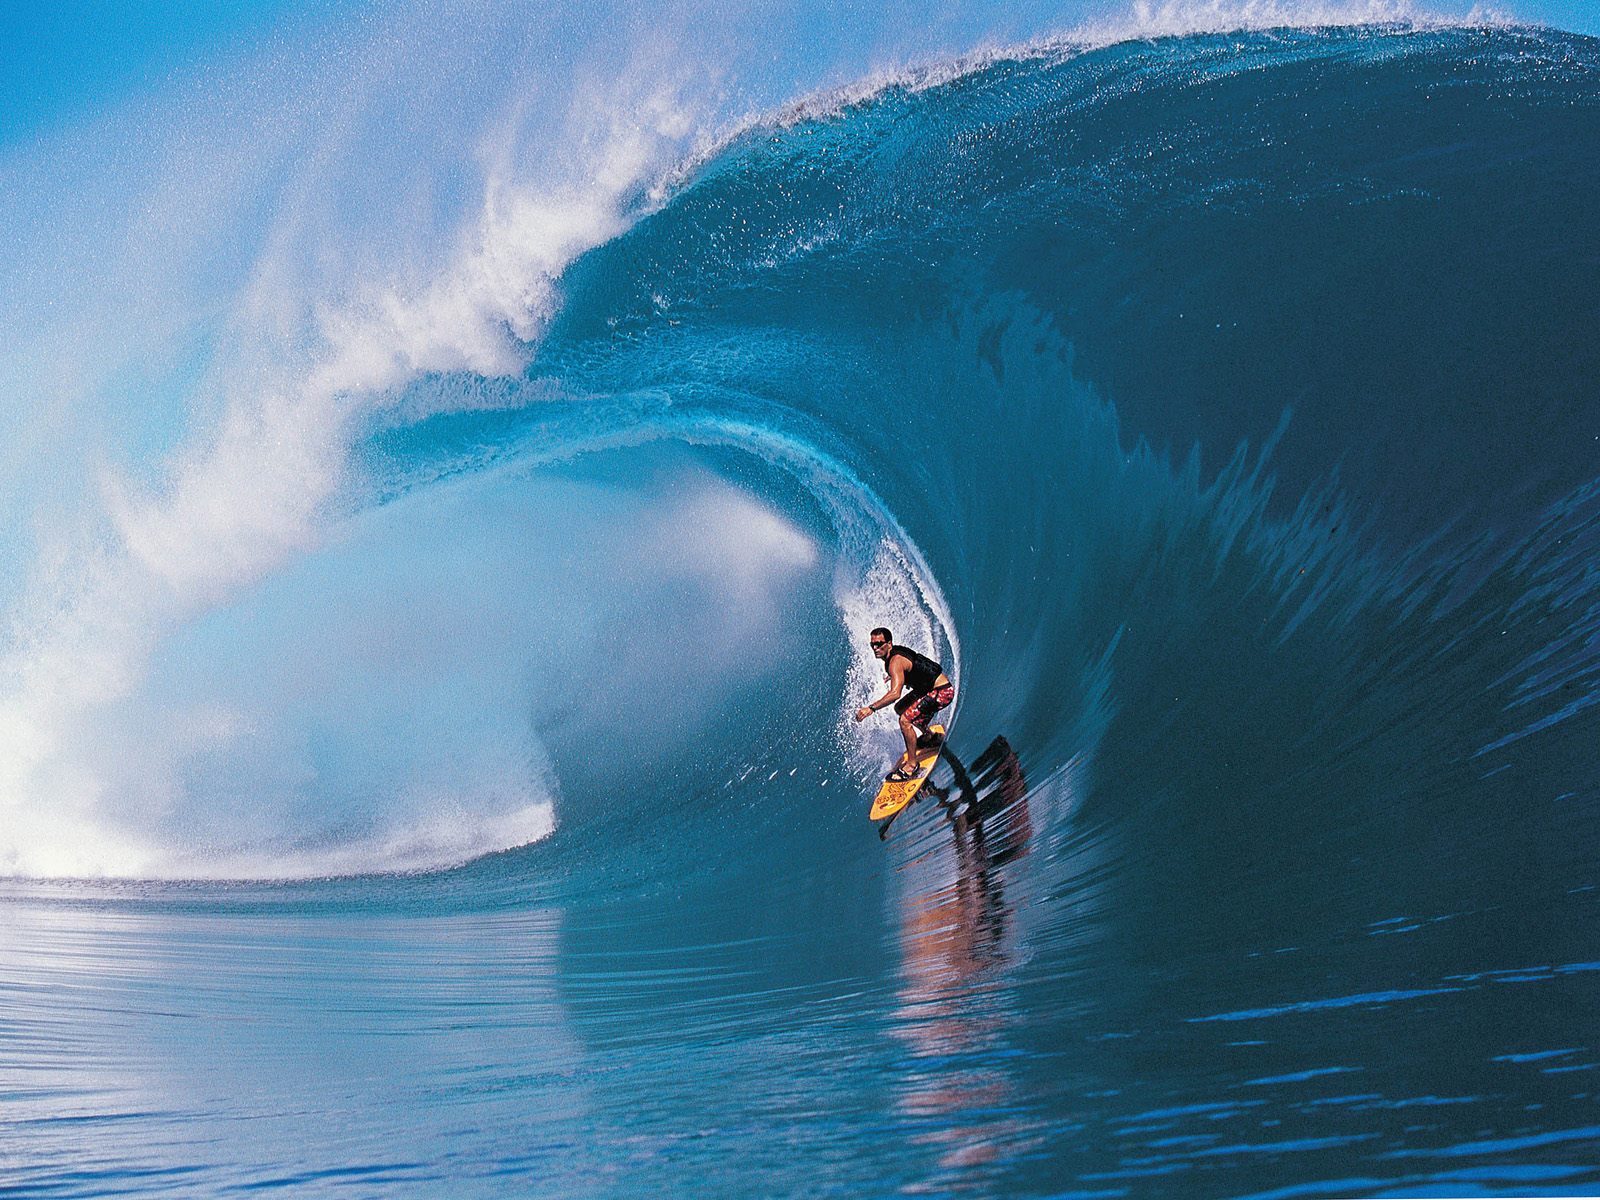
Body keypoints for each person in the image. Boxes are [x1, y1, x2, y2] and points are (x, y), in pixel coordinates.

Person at [854, 626, 955, 781]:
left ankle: (911, 766)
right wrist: (896, 676)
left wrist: (871, 708)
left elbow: (895, 694)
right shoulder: (893, 657)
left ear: (889, 643)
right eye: (872, 645)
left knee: (905, 721)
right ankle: (929, 737)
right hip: (928, 688)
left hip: (942, 692)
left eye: (879, 644)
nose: (875, 648)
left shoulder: (895, 662)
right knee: (900, 708)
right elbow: (912, 665)